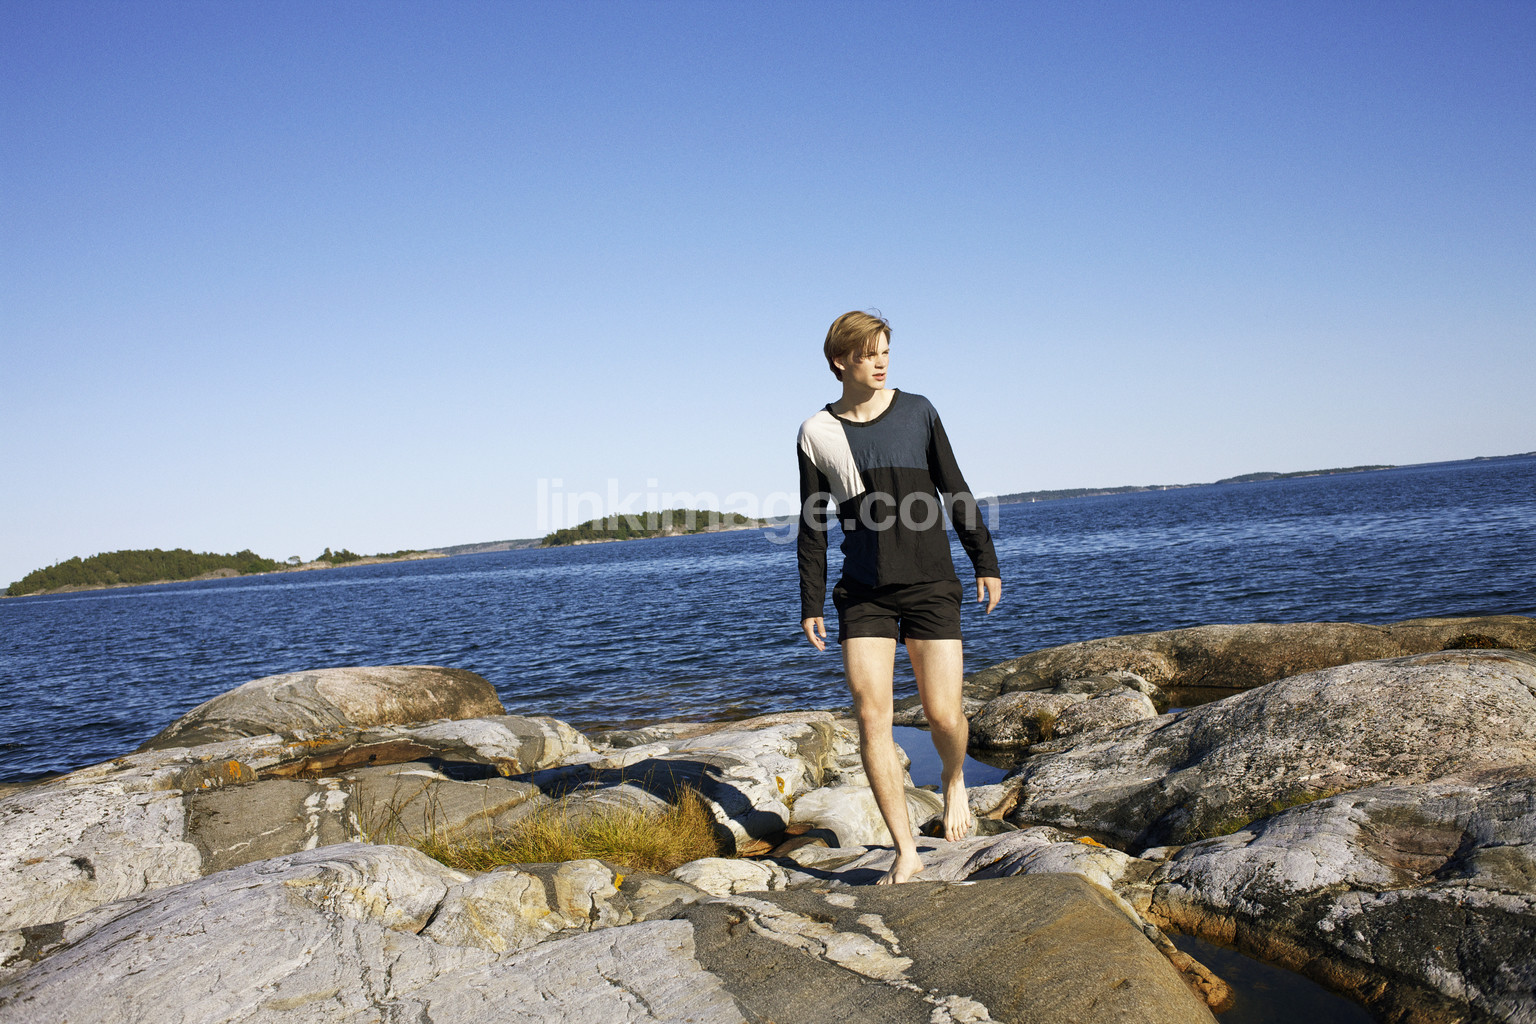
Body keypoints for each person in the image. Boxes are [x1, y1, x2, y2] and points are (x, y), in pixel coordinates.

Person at [797, 310, 1002, 885]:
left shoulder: (918, 411)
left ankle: (954, 780)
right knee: (872, 719)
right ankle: (905, 849)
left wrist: (984, 560)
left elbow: (954, 488)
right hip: (863, 592)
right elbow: (812, 523)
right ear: (841, 361)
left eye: (886, 351)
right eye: (869, 354)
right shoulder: (817, 432)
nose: (881, 362)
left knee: (943, 714)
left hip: (931, 582)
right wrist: (811, 601)